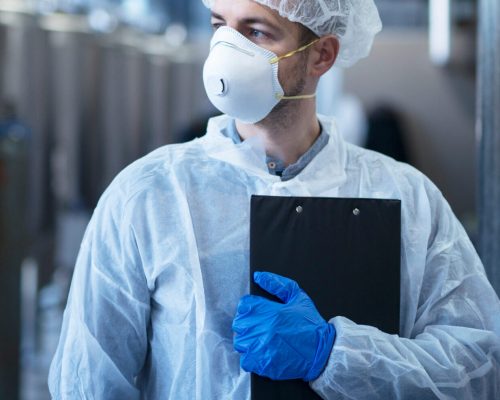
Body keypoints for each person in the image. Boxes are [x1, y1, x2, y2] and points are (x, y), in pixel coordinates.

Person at [48, 0, 500, 398]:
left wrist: (334, 354)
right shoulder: (148, 195)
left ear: (322, 55)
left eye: (256, 31)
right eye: (219, 25)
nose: (227, 51)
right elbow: (87, 383)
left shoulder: (406, 196)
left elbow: (479, 369)